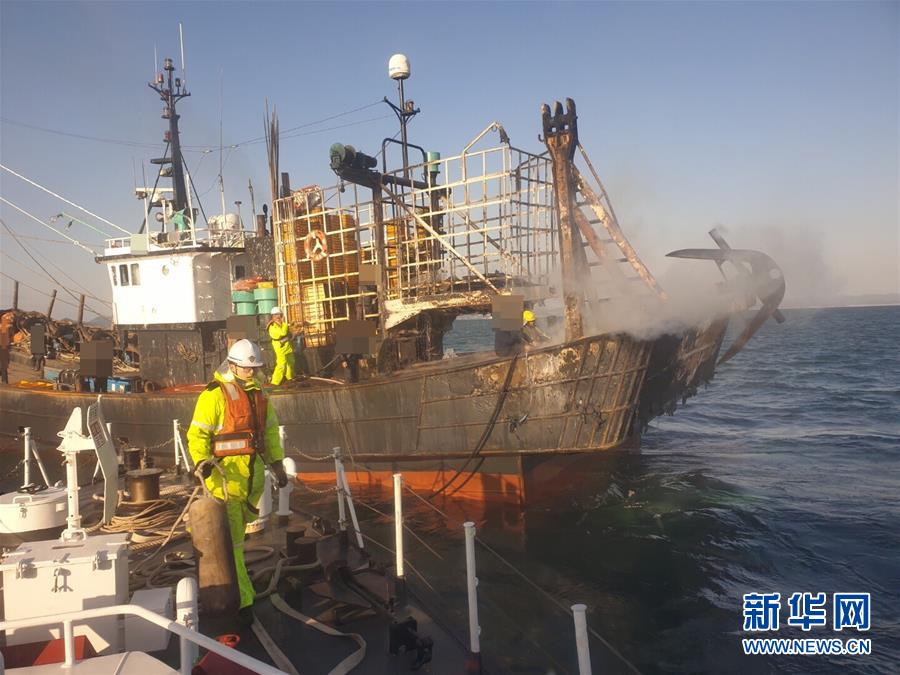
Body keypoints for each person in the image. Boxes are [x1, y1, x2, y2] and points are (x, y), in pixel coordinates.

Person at [186, 339, 288, 620]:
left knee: (239, 540)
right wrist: (201, 463)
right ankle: (243, 602)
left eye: (254, 368)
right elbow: (198, 435)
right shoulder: (213, 396)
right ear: (232, 366)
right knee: (234, 545)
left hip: (251, 483)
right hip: (226, 482)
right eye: (246, 368)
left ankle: (239, 590)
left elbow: (269, 432)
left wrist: (277, 464)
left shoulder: (259, 395)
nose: (251, 373)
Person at [267, 306, 295, 386]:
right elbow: (282, 333)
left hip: (287, 346)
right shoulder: (272, 326)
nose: (278, 317)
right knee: (281, 364)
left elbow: (287, 334)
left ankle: (290, 377)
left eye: (279, 315)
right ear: (272, 316)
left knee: (291, 362)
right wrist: (285, 325)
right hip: (280, 347)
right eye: (276, 315)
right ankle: (275, 382)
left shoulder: (282, 324)